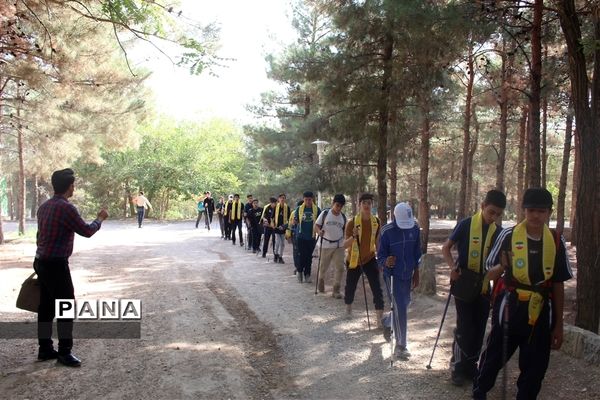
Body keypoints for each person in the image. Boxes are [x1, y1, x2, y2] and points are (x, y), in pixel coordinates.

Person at [473, 188, 572, 400]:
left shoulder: (556, 241)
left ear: (549, 212)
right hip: (510, 305)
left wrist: (558, 324)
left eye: (542, 211)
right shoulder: (508, 235)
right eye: (531, 210)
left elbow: (557, 283)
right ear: (523, 210)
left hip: (540, 309)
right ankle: (480, 389)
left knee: (536, 365)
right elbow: (488, 274)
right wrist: (502, 266)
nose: (536, 215)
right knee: (495, 355)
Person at [35, 168, 108, 367]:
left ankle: (45, 348)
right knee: (66, 306)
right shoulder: (67, 208)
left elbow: (39, 236)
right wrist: (100, 219)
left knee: (46, 307)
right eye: (73, 184)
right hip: (56, 264)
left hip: (41, 261)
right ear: (70, 186)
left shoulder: (44, 207)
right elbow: (86, 231)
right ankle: (65, 352)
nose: (74, 187)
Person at [441, 189, 506, 386]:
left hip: (485, 285)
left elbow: (502, 261)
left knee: (479, 328)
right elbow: (446, 248)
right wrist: (452, 268)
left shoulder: (500, 233)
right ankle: (458, 368)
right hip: (464, 282)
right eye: (491, 212)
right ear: (482, 206)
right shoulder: (466, 224)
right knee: (465, 326)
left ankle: (471, 366)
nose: (493, 217)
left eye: (498, 214)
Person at [378, 202, 421, 360]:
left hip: (408, 273)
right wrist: (385, 261)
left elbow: (417, 252)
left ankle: (387, 321)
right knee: (400, 307)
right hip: (392, 275)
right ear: (394, 217)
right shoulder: (386, 232)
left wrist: (417, 272)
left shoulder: (415, 228)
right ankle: (401, 345)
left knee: (404, 304)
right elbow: (380, 256)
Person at [343, 193, 384, 321]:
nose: (366, 205)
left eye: (369, 203)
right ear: (359, 205)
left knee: (377, 287)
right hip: (354, 259)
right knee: (350, 286)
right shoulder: (352, 223)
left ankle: (379, 317)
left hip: (370, 258)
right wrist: (353, 236)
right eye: (364, 203)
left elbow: (377, 242)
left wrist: (381, 260)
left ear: (372, 205)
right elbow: (344, 245)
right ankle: (348, 306)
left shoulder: (376, 222)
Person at [314, 194, 347, 298]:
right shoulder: (325, 213)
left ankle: (336, 290)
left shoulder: (343, 217)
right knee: (323, 267)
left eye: (341, 206)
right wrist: (319, 232)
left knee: (340, 268)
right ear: (333, 203)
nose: (339, 208)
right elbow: (316, 225)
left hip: (339, 245)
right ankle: (321, 280)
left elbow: (345, 230)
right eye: (337, 205)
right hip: (325, 245)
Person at [288, 191, 320, 283]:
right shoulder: (299, 209)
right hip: (301, 237)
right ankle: (300, 272)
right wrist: (294, 222)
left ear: (312, 199)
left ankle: (307, 274)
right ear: (303, 199)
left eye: (309, 200)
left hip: (311, 237)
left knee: (309, 257)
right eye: (306, 200)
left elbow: (320, 222)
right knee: (302, 256)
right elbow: (295, 221)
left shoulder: (316, 209)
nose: (308, 202)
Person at [273, 193, 290, 263]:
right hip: (276, 228)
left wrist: (284, 226)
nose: (282, 199)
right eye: (281, 198)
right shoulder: (275, 207)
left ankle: (280, 257)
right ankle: (275, 254)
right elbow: (271, 218)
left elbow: (289, 219)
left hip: (283, 229)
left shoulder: (287, 208)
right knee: (278, 242)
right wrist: (273, 224)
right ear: (278, 199)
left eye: (284, 198)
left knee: (282, 243)